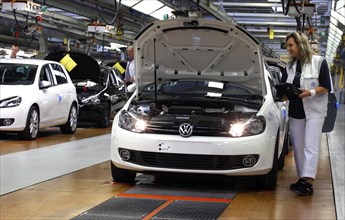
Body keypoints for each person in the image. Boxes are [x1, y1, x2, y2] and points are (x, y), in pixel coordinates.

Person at [281, 32, 332, 196]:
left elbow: (326, 86)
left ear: (300, 45)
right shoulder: (289, 67)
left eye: (291, 45)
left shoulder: (319, 62)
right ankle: (302, 178)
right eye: (287, 45)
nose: (288, 49)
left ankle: (309, 181)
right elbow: (284, 87)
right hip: (296, 111)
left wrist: (309, 92)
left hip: (314, 111)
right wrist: (282, 93)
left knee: (311, 146)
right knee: (298, 147)